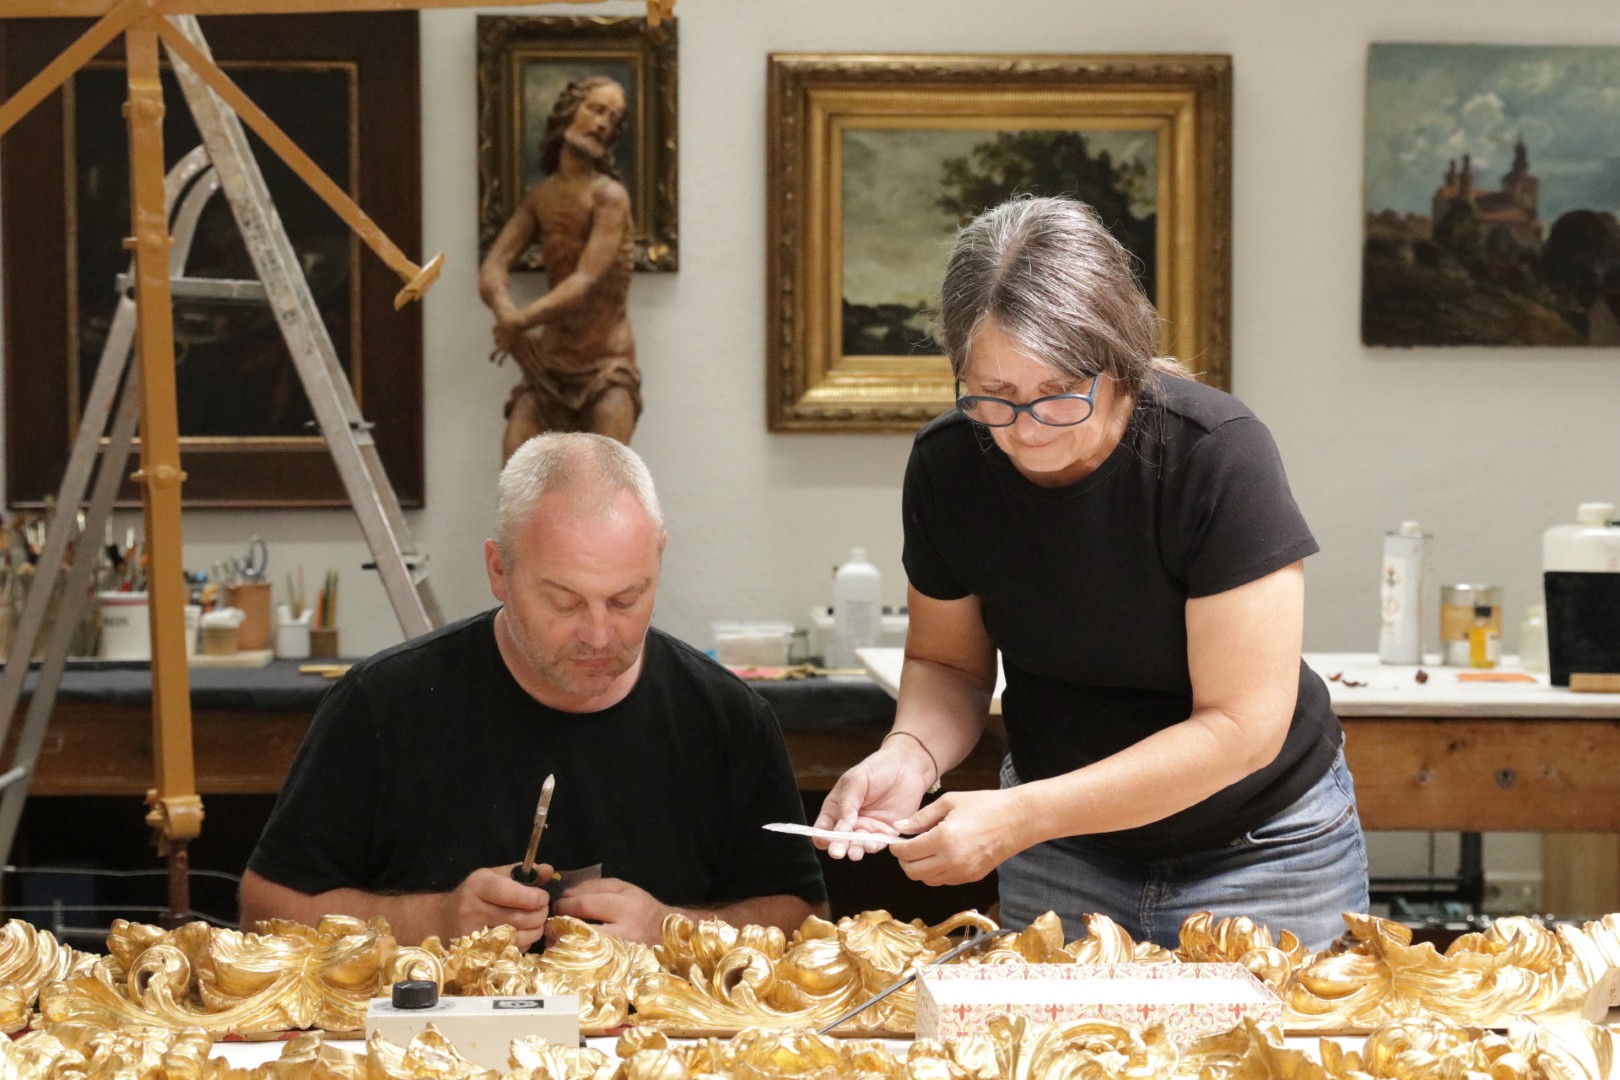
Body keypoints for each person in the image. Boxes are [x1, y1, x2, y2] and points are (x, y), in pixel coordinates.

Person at [815, 196, 1366, 952]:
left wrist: (1021, 816)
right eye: (994, 397)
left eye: (1056, 395)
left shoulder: (1216, 454)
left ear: (1119, 360)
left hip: (1260, 846)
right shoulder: (951, 464)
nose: (1026, 431)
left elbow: (1241, 729)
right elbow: (948, 665)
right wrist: (909, 754)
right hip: (1063, 850)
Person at [240, 433, 827, 948]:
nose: (599, 634)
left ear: (659, 558)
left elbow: (806, 922)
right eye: (564, 601)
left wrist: (672, 929)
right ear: (499, 570)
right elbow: (263, 913)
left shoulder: (727, 717)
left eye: (626, 599)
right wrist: (435, 920)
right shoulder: (383, 704)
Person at [478, 76, 640, 460]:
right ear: (570, 111)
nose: (602, 125)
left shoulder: (610, 197)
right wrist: (506, 313)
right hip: (549, 364)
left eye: (612, 119)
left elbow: (584, 281)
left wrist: (520, 322)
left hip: (606, 366)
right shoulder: (541, 197)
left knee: (604, 479)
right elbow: (494, 265)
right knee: (517, 468)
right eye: (596, 110)